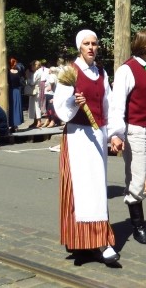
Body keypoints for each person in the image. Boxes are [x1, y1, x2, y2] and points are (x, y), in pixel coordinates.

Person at [53, 30, 125, 264]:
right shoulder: (69, 73)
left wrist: (115, 134)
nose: (91, 47)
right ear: (79, 47)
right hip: (77, 135)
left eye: (94, 44)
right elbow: (60, 109)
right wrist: (73, 101)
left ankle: (98, 240)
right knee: (81, 189)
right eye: (86, 44)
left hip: (97, 133)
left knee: (96, 189)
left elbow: (110, 104)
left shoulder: (101, 72)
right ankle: (85, 241)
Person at [109, 26, 146, 245]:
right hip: (136, 131)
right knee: (136, 181)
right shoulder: (128, 69)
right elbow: (118, 105)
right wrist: (116, 133)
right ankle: (138, 227)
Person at [8, 57, 24, 130]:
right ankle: (12, 124)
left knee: (17, 107)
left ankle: (16, 124)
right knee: (12, 107)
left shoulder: (18, 71)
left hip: (17, 90)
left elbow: (21, 80)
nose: (16, 64)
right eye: (14, 63)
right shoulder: (8, 72)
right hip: (11, 90)